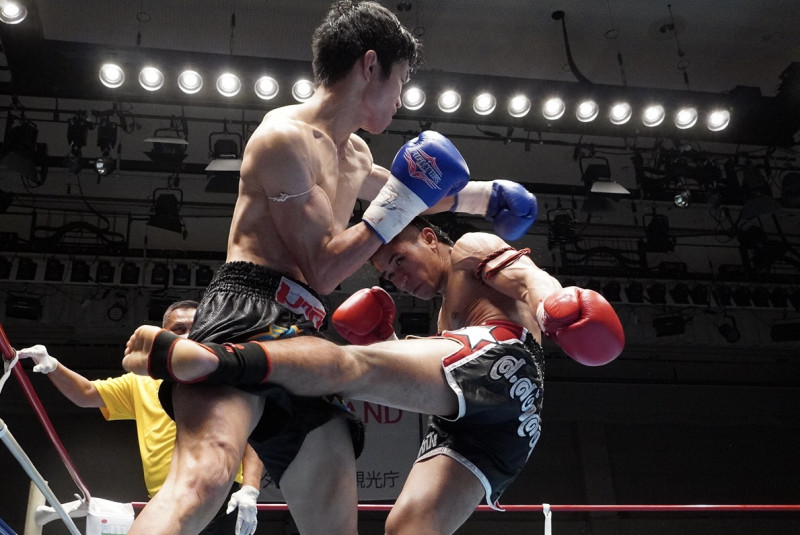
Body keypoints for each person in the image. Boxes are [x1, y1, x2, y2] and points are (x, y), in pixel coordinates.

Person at [121, 1, 539, 534]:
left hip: (304, 337)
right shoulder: (283, 138)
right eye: (400, 80)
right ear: (370, 65)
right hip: (245, 311)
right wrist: (398, 205)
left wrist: (489, 197)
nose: (401, 98)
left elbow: (418, 195)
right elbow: (322, 267)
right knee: (204, 481)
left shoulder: (356, 154)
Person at [123, 218, 625, 535]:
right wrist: (389, 340)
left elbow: (528, 279)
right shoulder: (446, 318)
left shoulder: (471, 249)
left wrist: (558, 304)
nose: (398, 278)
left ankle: (220, 360)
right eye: (389, 274)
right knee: (407, 528)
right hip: (502, 430)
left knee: (352, 368)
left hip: (505, 362)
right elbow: (434, 374)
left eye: (400, 260)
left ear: (430, 237)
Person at [17, 300, 264, 535]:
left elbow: (253, 435)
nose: (188, 335)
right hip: (163, 497)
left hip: (219, 495)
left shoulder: (224, 377)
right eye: (179, 329)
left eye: (195, 328)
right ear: (163, 337)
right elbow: (87, 393)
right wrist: (53, 366)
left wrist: (250, 489)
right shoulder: (141, 382)